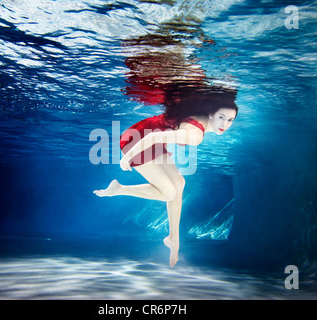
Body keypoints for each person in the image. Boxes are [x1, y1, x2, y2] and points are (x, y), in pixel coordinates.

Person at [94, 84, 238, 267]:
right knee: (169, 193)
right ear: (211, 114)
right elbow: (153, 138)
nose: (224, 124)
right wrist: (126, 158)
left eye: (230, 120)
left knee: (179, 182)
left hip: (148, 135)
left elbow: (158, 136)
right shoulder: (195, 135)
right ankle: (119, 189)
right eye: (222, 118)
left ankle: (173, 239)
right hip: (137, 141)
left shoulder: (201, 116)